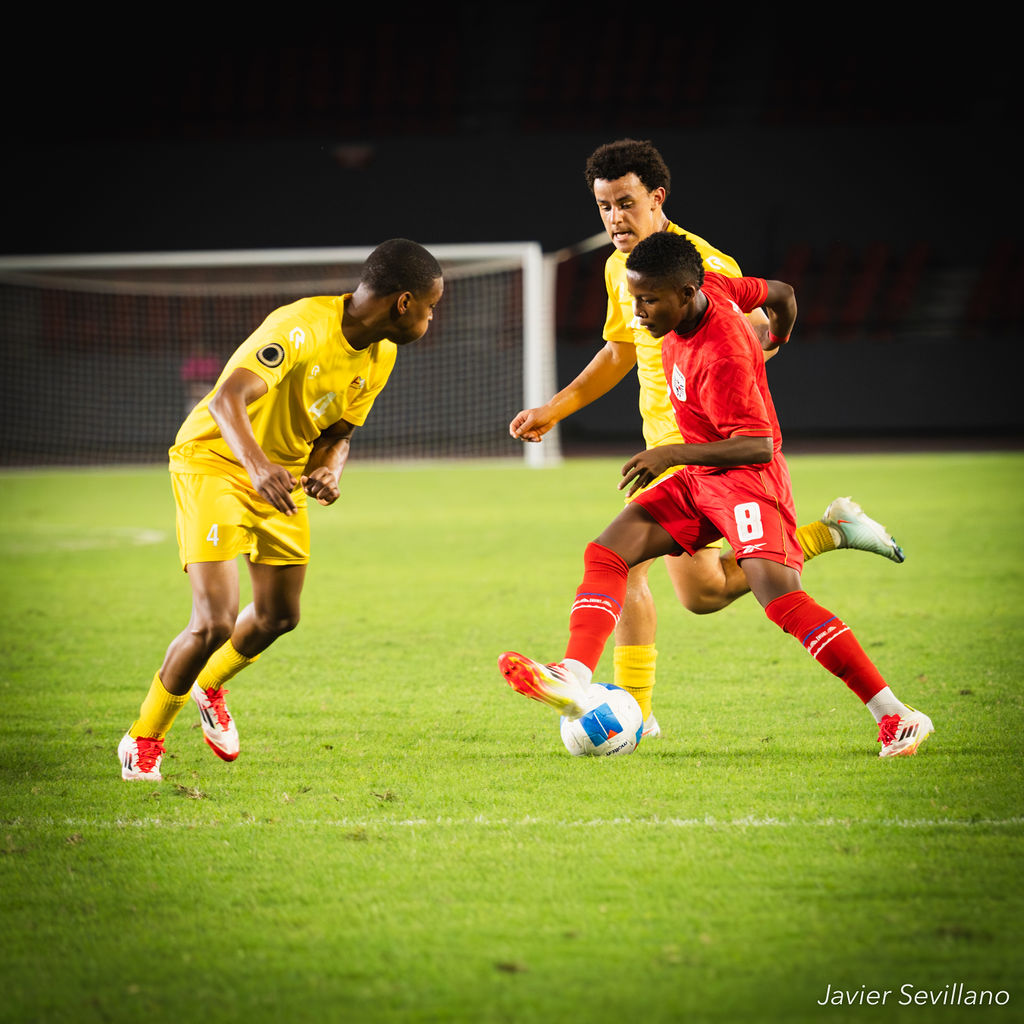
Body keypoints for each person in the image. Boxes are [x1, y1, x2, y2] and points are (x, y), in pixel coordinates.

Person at [509, 138, 903, 737]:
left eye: (625, 203)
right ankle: (829, 533)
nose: (615, 218)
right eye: (604, 206)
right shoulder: (626, 268)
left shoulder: (704, 270)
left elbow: (752, 339)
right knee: (702, 592)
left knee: (653, 572)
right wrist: (556, 407)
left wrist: (743, 370)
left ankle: (631, 713)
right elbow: (621, 348)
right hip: (669, 451)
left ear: (656, 197)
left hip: (709, 451)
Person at [118, 239, 444, 780]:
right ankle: (143, 738)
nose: (433, 319)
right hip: (217, 463)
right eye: (433, 307)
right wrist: (255, 465)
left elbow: (339, 433)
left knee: (278, 617)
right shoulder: (300, 326)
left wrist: (330, 468)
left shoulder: (379, 353)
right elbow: (226, 399)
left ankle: (209, 686)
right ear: (404, 302)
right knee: (215, 620)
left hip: (280, 478)